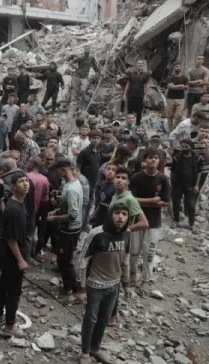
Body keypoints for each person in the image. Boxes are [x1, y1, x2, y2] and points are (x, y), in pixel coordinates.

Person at [77, 203, 132, 364]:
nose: (120, 217)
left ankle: (95, 348)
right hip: (95, 285)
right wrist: (81, 288)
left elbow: (126, 261)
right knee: (90, 319)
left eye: (124, 214)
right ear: (110, 214)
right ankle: (85, 352)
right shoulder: (96, 234)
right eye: (117, 213)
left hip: (114, 285)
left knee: (104, 319)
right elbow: (82, 262)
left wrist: (126, 285)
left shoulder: (127, 234)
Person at [0, 171, 29, 337]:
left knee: (3, 285)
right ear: (14, 186)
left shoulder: (19, 203)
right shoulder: (14, 209)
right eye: (21, 181)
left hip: (8, 255)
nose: (26, 184)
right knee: (13, 292)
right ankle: (9, 325)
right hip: (12, 256)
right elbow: (11, 238)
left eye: (26, 181)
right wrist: (20, 260)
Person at [129, 149, 169, 287]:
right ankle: (132, 275)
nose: (153, 160)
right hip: (136, 220)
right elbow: (131, 200)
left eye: (156, 157)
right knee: (134, 250)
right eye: (150, 157)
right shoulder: (137, 177)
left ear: (159, 161)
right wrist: (152, 201)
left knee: (149, 253)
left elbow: (166, 202)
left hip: (153, 222)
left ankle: (145, 280)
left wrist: (143, 202)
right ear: (145, 160)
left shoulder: (163, 179)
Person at [47, 158, 83, 296]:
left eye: (56, 171)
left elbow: (73, 215)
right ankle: (68, 285)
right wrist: (56, 210)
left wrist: (54, 218)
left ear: (63, 170)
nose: (56, 174)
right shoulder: (71, 183)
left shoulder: (72, 189)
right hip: (68, 228)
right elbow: (67, 205)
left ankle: (71, 288)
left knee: (66, 261)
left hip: (70, 230)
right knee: (62, 258)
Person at [170, 138, 199, 228]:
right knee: (176, 203)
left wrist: (196, 185)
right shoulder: (177, 157)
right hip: (177, 185)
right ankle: (176, 221)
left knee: (191, 205)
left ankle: (191, 224)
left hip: (190, 185)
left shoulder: (196, 158)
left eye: (186, 146)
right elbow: (173, 171)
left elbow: (199, 172)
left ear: (191, 146)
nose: (184, 148)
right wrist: (172, 183)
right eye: (182, 146)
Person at [123, 60, 150, 126]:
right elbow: (128, 84)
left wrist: (145, 96)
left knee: (139, 112)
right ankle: (129, 126)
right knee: (130, 112)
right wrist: (124, 94)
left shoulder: (146, 75)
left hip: (140, 96)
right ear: (136, 65)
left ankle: (137, 125)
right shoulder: (131, 74)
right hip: (131, 95)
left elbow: (146, 86)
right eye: (139, 63)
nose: (140, 64)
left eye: (141, 63)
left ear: (143, 65)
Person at [165, 63, 189, 132]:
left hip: (181, 98)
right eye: (177, 66)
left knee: (178, 115)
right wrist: (180, 86)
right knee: (170, 115)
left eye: (180, 66)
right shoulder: (170, 77)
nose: (178, 68)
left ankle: (175, 129)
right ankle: (170, 131)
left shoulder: (184, 77)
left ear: (181, 68)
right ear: (174, 68)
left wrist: (174, 86)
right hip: (170, 98)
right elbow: (169, 87)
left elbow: (187, 87)